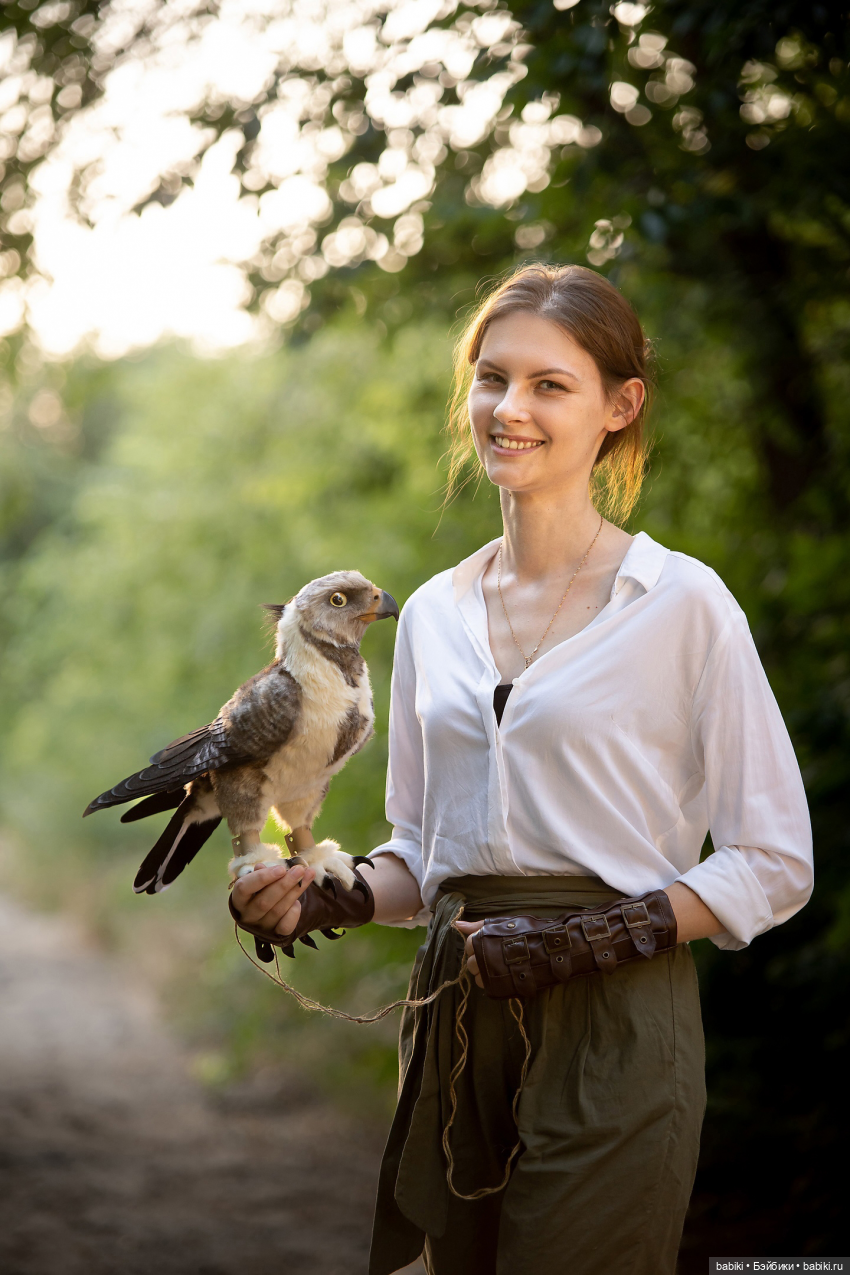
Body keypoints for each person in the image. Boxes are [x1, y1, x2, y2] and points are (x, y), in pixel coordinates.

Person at [230, 264, 813, 1275]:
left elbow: (773, 860)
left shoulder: (681, 603)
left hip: (619, 1016)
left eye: (551, 385)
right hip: (461, 1012)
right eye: (492, 379)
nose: (510, 408)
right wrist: (322, 896)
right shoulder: (435, 619)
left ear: (617, 408)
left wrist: (587, 943)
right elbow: (426, 857)